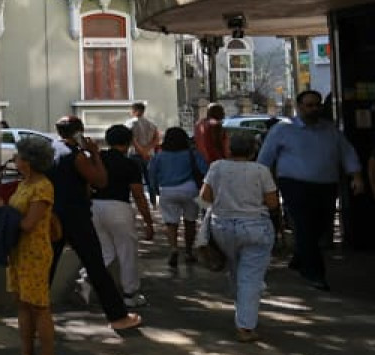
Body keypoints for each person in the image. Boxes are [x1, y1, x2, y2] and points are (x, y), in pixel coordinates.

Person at [256, 89, 363, 291]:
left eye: (317, 105)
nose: (314, 109)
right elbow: (265, 157)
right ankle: (314, 272)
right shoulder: (283, 130)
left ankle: (300, 256)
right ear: (299, 107)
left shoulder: (330, 130)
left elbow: (347, 152)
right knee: (304, 225)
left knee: (321, 226)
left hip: (326, 185)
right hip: (295, 184)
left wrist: (356, 176)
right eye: (309, 105)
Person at [48, 115, 144, 331]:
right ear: (78, 133)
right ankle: (118, 316)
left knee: (47, 267)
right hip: (76, 217)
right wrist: (95, 155)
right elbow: (101, 181)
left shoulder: (51, 150)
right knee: (96, 265)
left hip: (54, 215)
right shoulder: (78, 157)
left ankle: (34, 314)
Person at [202, 128, 283, 342]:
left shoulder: (217, 167)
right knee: (251, 276)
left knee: (236, 269)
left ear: (230, 149)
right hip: (255, 226)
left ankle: (242, 311)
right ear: (253, 151)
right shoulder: (261, 171)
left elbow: (204, 197)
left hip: (223, 226)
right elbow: (273, 202)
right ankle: (245, 325)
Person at [1, 135, 65, 355]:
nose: (15, 160)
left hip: (35, 254)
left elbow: (28, 223)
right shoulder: (24, 184)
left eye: (18, 157)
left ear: (28, 161)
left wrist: (4, 214)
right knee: (23, 304)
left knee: (39, 307)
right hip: (18, 252)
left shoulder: (42, 187)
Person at [91, 124, 155, 306]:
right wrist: (148, 221)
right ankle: (130, 293)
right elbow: (138, 194)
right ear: (128, 143)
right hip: (119, 207)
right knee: (127, 252)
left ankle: (87, 278)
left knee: (105, 251)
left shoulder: (98, 158)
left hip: (94, 207)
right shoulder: (130, 164)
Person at [148, 126, 208, 270]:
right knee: (190, 222)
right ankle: (188, 251)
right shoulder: (192, 154)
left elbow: (151, 176)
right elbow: (205, 170)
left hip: (167, 190)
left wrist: (153, 193)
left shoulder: (159, 156)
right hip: (190, 189)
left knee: (171, 223)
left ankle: (174, 249)